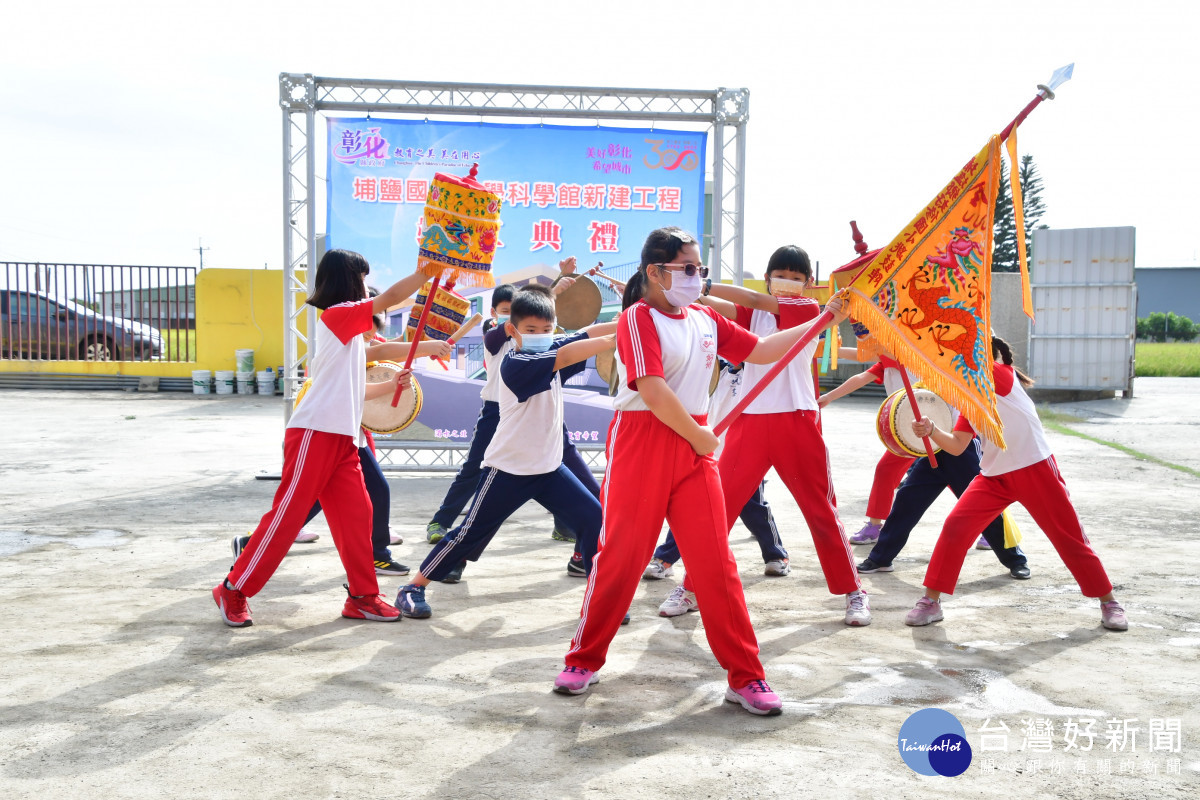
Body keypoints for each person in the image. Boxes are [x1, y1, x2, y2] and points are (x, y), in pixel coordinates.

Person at [555, 227, 847, 716]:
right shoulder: (636, 319)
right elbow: (650, 389)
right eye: (688, 269)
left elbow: (763, 350)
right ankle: (584, 660)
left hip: (694, 449)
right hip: (644, 441)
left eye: (700, 270)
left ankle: (746, 676)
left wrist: (824, 320)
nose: (697, 278)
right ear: (655, 272)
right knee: (623, 557)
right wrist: (698, 435)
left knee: (715, 565)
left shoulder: (706, 319)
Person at [654, 245, 869, 626]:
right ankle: (691, 588)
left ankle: (853, 591)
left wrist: (697, 280)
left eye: (795, 276)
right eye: (779, 274)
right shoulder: (752, 316)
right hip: (748, 421)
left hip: (796, 421)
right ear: (768, 277)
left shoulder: (808, 311)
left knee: (820, 510)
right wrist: (682, 291)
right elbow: (720, 309)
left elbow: (751, 297)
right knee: (717, 511)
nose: (787, 282)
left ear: (808, 283)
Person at [211, 249, 428, 627]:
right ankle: (233, 588)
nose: (366, 287)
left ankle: (362, 597)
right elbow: (391, 299)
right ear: (350, 280)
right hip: (314, 433)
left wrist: (392, 383)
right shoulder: (337, 316)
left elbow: (355, 392)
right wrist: (427, 272)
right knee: (289, 516)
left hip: (343, 437)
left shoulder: (351, 334)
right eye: (362, 278)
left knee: (357, 517)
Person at [394, 284, 617, 618]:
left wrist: (635, 319)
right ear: (512, 330)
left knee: (594, 519)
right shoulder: (516, 361)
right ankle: (413, 587)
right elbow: (573, 350)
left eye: (546, 329)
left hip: (549, 468)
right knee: (469, 533)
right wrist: (621, 337)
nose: (540, 335)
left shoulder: (551, 344)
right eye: (530, 330)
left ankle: (599, 597)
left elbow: (588, 332)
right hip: (508, 470)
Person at [903, 336, 1127, 631]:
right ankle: (931, 601)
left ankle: (1108, 601)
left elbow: (948, 368)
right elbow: (957, 445)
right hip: (994, 477)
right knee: (955, 527)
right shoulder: (970, 396)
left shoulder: (998, 375)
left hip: (1035, 469)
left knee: (1069, 537)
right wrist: (931, 430)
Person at [231, 313, 452, 576]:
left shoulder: (357, 340)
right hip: (325, 429)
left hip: (347, 428)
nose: (370, 338)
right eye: (367, 333)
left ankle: (252, 544)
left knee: (323, 497)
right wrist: (426, 348)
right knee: (371, 491)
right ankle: (376, 556)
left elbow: (380, 353)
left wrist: (399, 375)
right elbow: (382, 350)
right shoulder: (342, 341)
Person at [645, 359, 786, 579]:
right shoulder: (710, 365)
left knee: (752, 504)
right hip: (706, 443)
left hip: (743, 449)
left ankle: (776, 554)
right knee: (690, 504)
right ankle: (666, 558)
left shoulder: (757, 370)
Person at [818, 350, 919, 544]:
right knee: (885, 471)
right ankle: (874, 526)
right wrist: (829, 397)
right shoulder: (887, 359)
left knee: (960, 477)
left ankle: (988, 527)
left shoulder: (907, 352)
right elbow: (862, 377)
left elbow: (864, 355)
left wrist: (829, 349)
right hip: (908, 429)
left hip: (935, 424)